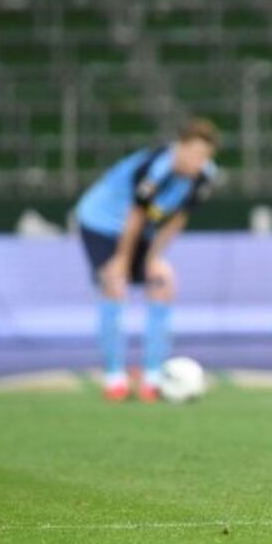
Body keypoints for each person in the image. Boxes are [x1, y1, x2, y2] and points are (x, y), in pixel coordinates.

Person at [75, 119, 219, 402]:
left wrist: (154, 258)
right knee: (114, 283)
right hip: (101, 225)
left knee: (163, 283)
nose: (198, 162)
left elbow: (177, 218)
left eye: (205, 157)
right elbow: (135, 215)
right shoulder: (155, 168)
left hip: (142, 231)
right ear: (180, 147)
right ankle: (114, 378)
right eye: (193, 154)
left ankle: (153, 378)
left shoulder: (204, 176)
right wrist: (121, 260)